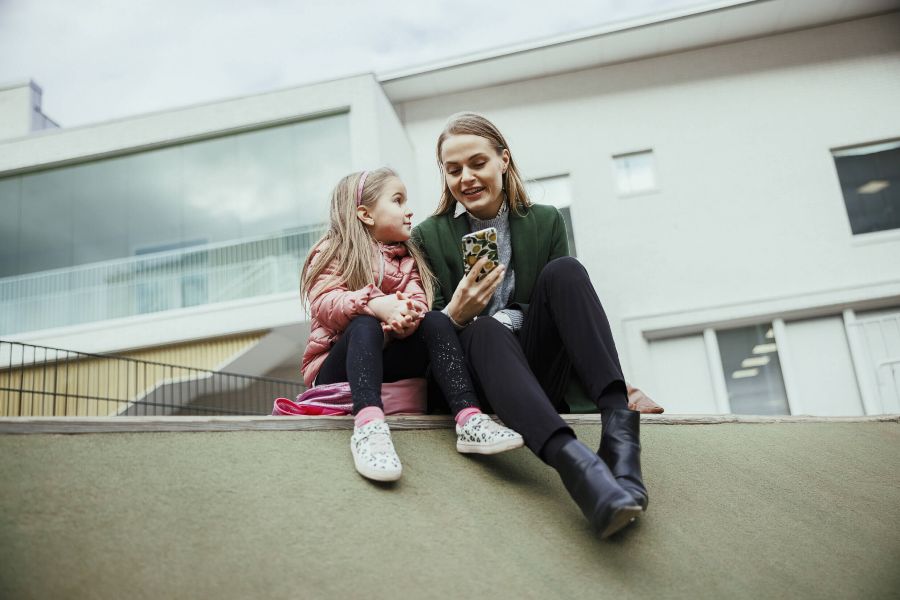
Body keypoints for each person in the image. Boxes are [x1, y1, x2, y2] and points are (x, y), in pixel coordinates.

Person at [411, 113, 657, 538]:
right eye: (453, 170)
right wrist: (456, 313)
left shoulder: (545, 221)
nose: (466, 178)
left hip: (540, 371)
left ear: (503, 160)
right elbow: (428, 336)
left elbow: (566, 321)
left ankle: (621, 444)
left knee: (565, 271)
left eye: (477, 163)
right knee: (484, 330)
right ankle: (578, 470)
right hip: (480, 382)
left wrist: (624, 386)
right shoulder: (428, 237)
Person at [301, 167, 523, 482]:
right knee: (364, 324)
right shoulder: (332, 252)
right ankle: (369, 428)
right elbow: (326, 304)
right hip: (336, 367)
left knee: (434, 319)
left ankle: (468, 418)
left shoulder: (406, 260)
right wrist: (376, 305)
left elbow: (418, 303)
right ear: (366, 214)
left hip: (386, 358)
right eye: (398, 201)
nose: (409, 211)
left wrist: (405, 319)